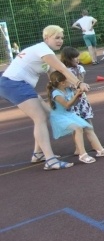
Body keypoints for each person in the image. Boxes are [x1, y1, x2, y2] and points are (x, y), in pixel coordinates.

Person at [0, 26, 89, 170]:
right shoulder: (42, 49)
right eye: (56, 37)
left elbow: (56, 79)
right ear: (46, 38)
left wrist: (71, 89)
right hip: (14, 84)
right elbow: (62, 69)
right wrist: (79, 83)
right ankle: (50, 160)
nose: (60, 41)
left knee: (47, 113)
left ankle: (38, 153)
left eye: (61, 37)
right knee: (39, 117)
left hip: (16, 85)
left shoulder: (45, 54)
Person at [46, 71, 104, 163]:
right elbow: (67, 105)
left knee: (88, 128)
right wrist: (76, 95)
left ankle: (100, 150)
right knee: (78, 128)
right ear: (62, 83)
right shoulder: (56, 93)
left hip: (69, 115)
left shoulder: (68, 89)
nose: (72, 82)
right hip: (59, 117)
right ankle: (82, 154)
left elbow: (74, 102)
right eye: (69, 80)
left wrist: (79, 92)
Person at [61, 46, 94, 126]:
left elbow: (80, 82)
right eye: (75, 57)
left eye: (77, 57)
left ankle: (92, 136)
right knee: (76, 123)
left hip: (81, 98)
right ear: (68, 59)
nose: (77, 59)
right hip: (71, 99)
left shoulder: (80, 68)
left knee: (87, 119)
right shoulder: (63, 70)